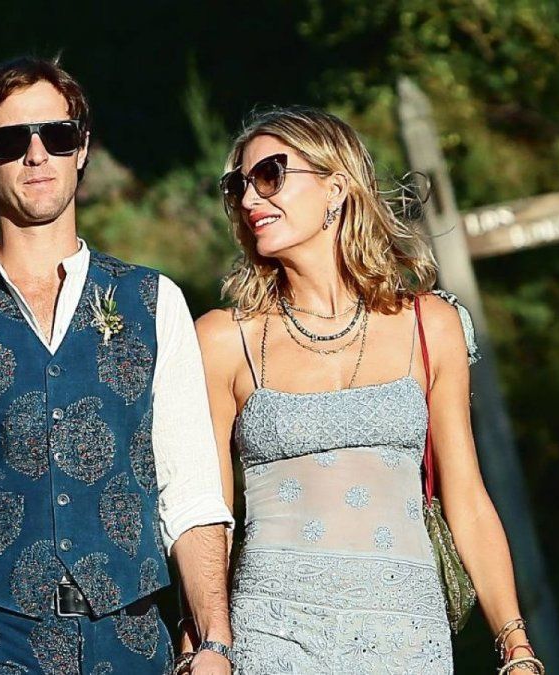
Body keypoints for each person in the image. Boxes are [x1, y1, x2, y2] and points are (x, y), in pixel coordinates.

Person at [0, 56, 235, 675]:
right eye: (11, 141)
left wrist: (214, 640)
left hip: (131, 642)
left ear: (81, 149)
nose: (37, 155)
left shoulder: (154, 301)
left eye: (56, 135)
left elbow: (189, 493)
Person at [195, 107, 541, 674]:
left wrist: (515, 645)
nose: (251, 198)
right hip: (272, 634)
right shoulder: (224, 339)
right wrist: (206, 645)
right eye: (238, 186)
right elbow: (207, 515)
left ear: (336, 187)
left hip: (408, 638)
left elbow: (467, 497)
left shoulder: (431, 325)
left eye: (270, 175)